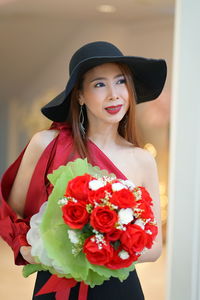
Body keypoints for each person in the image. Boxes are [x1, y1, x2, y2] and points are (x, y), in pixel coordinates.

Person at [0, 41, 167, 299]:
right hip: (56, 284)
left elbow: (154, 247)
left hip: (118, 289)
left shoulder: (142, 159)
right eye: (99, 84)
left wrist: (97, 246)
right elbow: (11, 213)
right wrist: (26, 248)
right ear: (79, 95)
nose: (113, 94)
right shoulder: (47, 144)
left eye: (121, 81)